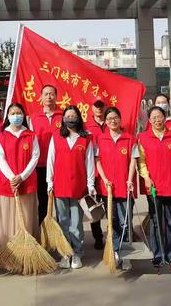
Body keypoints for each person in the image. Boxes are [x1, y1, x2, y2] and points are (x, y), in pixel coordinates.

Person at [47, 105, 96, 270]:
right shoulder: (56, 137)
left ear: (78, 118)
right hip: (60, 185)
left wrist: (90, 184)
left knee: (76, 222)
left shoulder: (85, 139)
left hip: (79, 187)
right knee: (63, 221)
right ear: (63, 119)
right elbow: (50, 161)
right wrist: (49, 182)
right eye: (67, 116)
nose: (70, 118)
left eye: (73, 115)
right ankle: (65, 253)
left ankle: (77, 252)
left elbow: (89, 162)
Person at [138, 106, 171, 269]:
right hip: (153, 186)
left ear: (165, 118)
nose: (157, 120)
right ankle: (157, 254)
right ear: (149, 120)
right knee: (156, 221)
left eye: (160, 117)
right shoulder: (143, 138)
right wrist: (146, 178)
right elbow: (141, 162)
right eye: (154, 117)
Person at [95, 106, 138, 271]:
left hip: (125, 187)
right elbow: (97, 160)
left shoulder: (129, 139)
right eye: (109, 119)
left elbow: (133, 160)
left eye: (115, 118)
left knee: (126, 222)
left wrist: (129, 180)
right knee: (112, 222)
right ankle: (116, 251)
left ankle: (126, 255)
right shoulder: (100, 139)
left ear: (120, 119)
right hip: (108, 189)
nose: (112, 121)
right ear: (105, 122)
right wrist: (104, 179)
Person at [0, 103, 40, 250]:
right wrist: (12, 177)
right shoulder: (1, 135)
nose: (16, 116)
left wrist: (22, 177)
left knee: (26, 217)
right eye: (12, 113)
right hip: (7, 183)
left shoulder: (31, 135)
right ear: (7, 116)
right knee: (6, 218)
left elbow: (35, 157)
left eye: (18, 113)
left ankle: (26, 251)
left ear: (23, 116)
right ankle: (7, 252)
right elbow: (0, 158)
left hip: (27, 182)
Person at [29, 85, 63, 225]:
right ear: (41, 97)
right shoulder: (33, 118)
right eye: (46, 94)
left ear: (56, 96)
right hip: (41, 165)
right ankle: (44, 234)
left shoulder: (63, 116)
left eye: (51, 94)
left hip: (61, 165)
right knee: (43, 200)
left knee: (61, 202)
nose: (49, 96)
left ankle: (63, 235)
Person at [84, 97, 107, 250]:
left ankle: (114, 235)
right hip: (94, 173)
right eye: (96, 106)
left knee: (111, 207)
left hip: (110, 172)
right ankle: (98, 237)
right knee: (95, 208)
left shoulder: (112, 121)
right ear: (91, 108)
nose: (98, 109)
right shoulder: (86, 126)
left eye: (101, 106)